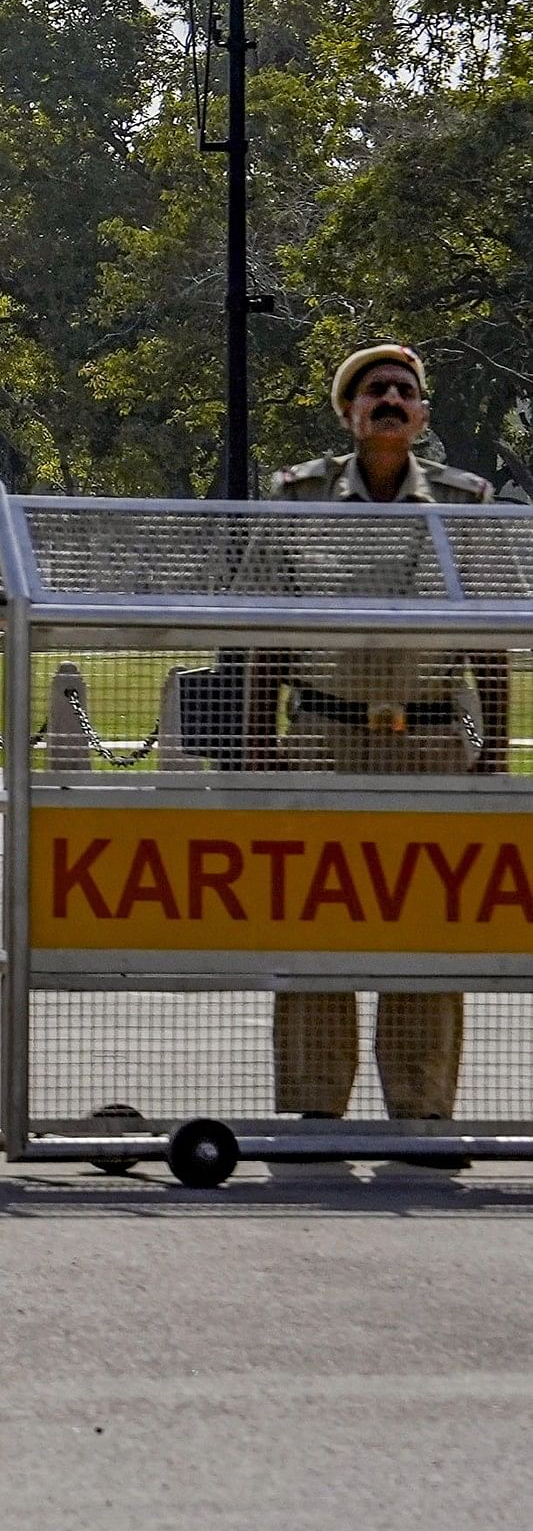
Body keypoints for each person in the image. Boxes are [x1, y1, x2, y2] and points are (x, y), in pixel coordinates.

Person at [257, 343, 519, 1135]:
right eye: (374, 390)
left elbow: (489, 640)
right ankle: (313, 1107)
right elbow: (258, 632)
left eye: (405, 391)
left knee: (425, 927)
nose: (390, 399)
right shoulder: (295, 495)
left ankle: (422, 1109)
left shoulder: (463, 500)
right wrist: (254, 744)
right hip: (319, 739)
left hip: (431, 743)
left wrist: (494, 749)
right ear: (347, 412)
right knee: (313, 922)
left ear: (422, 415)